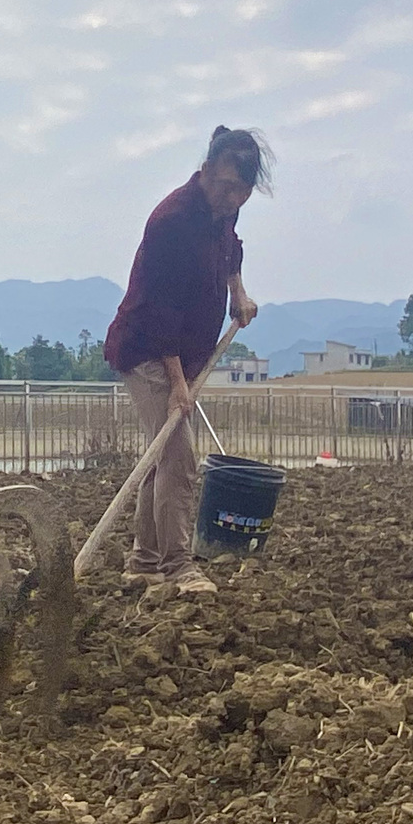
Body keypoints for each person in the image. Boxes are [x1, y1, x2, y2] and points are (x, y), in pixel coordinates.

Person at [103, 127, 268, 595]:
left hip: (184, 353)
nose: (229, 196)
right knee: (179, 456)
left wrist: (238, 293)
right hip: (147, 350)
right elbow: (162, 313)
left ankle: (143, 562)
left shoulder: (223, 216)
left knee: (161, 457)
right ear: (206, 171)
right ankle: (177, 565)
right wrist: (178, 383)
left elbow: (232, 252)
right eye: (222, 185)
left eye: (240, 191)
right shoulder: (172, 221)